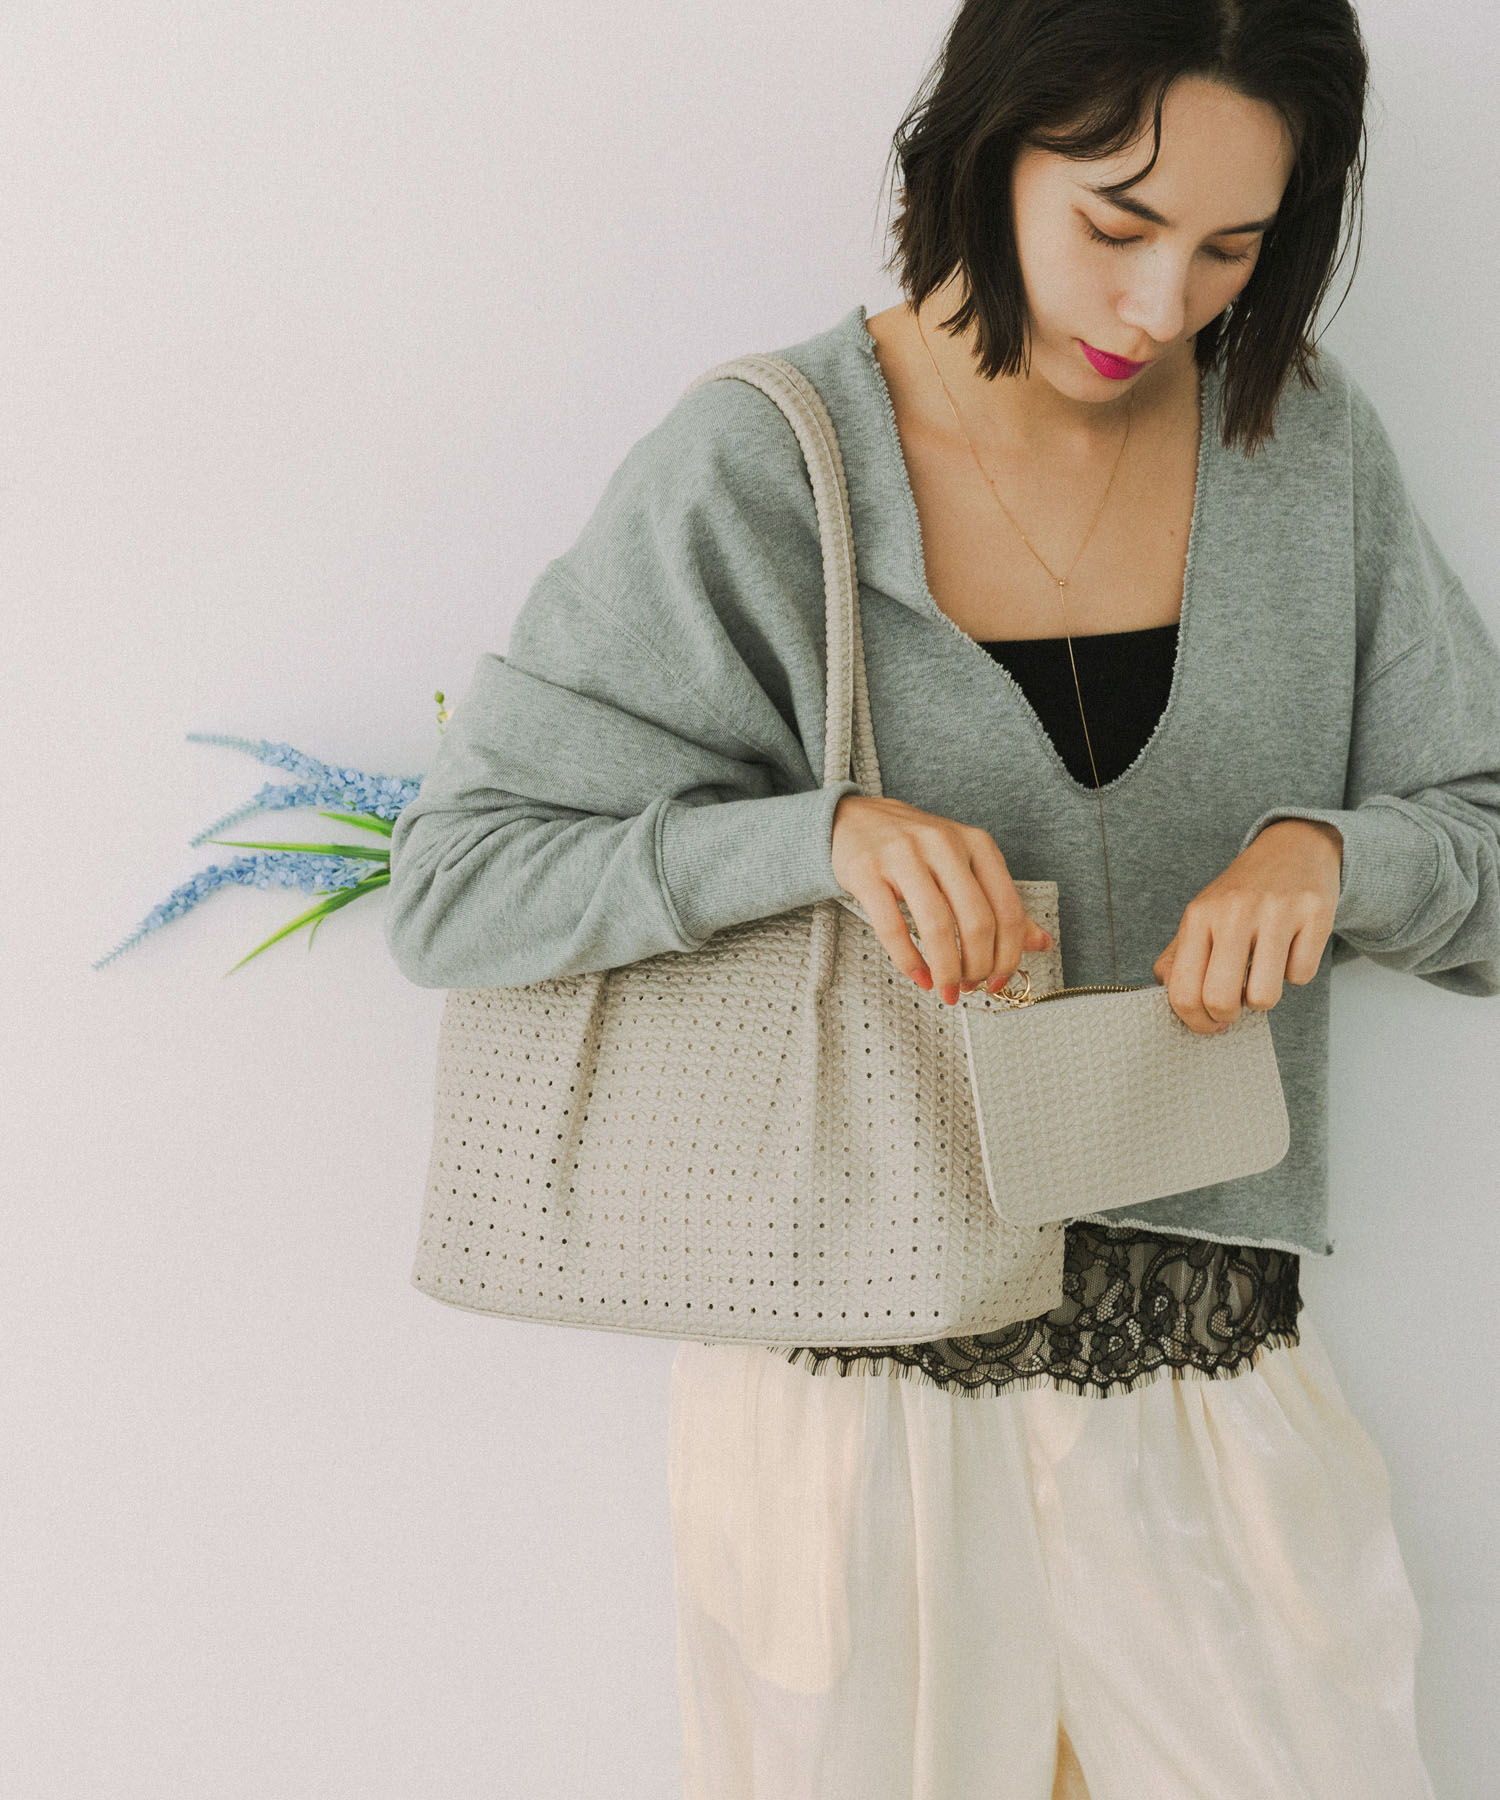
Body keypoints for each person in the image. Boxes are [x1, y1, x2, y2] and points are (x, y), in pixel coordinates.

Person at [385, 2, 1500, 1794]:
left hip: (1207, 1372)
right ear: (988, 148)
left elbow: (1485, 844)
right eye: (1118, 225)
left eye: (1233, 248)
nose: (1163, 305)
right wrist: (820, 839)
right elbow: (459, 885)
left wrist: (1336, 856)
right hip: (848, 1406)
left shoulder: (1301, 446)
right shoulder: (768, 465)